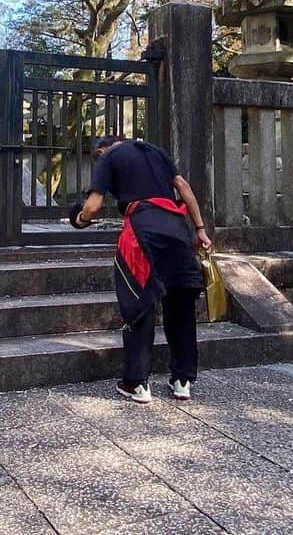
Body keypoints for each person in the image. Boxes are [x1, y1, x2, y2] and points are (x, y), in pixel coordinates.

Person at [69, 136, 212, 404]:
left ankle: (136, 383)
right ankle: (182, 380)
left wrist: (79, 219)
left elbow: (93, 206)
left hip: (142, 231)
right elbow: (183, 186)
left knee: (139, 305)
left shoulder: (108, 157)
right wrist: (201, 230)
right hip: (177, 230)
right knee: (181, 306)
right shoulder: (157, 150)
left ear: (101, 150)